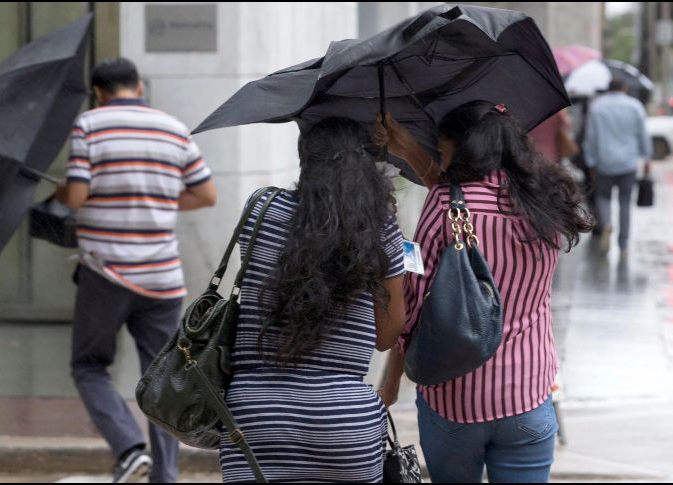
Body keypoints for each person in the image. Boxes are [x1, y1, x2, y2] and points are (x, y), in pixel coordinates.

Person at [376, 101, 593, 483]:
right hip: (527, 395)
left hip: (454, 400)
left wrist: (393, 377)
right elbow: (471, 199)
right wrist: (410, 150)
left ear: (465, 151)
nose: (441, 164)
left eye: (443, 153)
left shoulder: (443, 204)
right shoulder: (547, 201)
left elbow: (411, 307)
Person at [56, 57, 217, 483]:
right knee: (163, 379)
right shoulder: (173, 127)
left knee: (88, 366)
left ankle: (129, 449)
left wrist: (62, 187)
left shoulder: (89, 125)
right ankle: (166, 474)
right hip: (163, 278)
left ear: (98, 92)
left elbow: (75, 198)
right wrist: (160, 204)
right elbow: (206, 194)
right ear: (138, 87)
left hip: (105, 272)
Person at [219, 118, 406, 482]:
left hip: (255, 417)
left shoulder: (261, 210)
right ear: (363, 167)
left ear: (303, 160)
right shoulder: (379, 230)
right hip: (345, 423)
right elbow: (386, 337)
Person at [583, 79, 652, 257]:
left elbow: (590, 137)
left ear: (608, 89)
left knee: (603, 197)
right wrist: (647, 158)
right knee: (625, 202)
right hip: (628, 163)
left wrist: (590, 161)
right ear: (625, 87)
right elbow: (643, 135)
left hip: (604, 162)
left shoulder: (597, 107)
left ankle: (606, 223)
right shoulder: (635, 106)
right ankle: (623, 245)